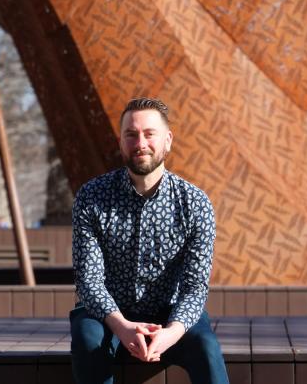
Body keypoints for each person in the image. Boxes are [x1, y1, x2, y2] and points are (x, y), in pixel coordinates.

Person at [70, 97, 229, 384]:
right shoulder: (91, 198)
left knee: (207, 348)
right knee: (88, 341)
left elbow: (195, 288)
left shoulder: (195, 203)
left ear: (167, 140)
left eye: (149, 134)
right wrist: (122, 327)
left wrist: (170, 333)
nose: (140, 143)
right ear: (121, 142)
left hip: (172, 315)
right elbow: (88, 281)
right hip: (107, 315)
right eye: (131, 135)